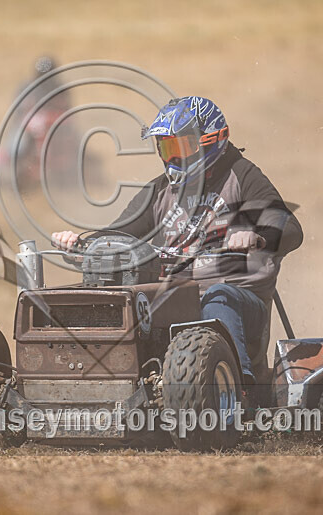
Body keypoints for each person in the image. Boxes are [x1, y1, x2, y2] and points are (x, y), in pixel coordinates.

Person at [52, 96, 303, 386]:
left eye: (181, 147)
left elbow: (290, 228)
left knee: (216, 297)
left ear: (211, 140)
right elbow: (118, 236)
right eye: (166, 148)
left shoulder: (242, 176)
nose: (173, 159)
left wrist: (258, 237)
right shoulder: (161, 190)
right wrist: (83, 244)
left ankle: (238, 389)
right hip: (176, 299)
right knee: (123, 302)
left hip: (238, 304)